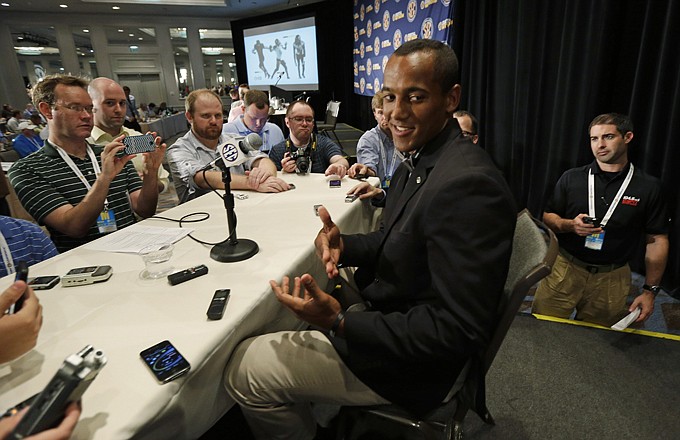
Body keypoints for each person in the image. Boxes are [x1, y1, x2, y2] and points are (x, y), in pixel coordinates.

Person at [223, 39, 516, 439]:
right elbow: (397, 238)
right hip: (392, 321)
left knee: (246, 367)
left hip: (417, 367)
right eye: (390, 97)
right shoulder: (427, 156)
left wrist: (341, 322)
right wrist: (346, 244)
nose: (397, 113)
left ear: (451, 99)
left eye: (415, 97)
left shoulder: (468, 184)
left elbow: (456, 330)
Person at [533, 113, 669, 326]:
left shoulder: (649, 187)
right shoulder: (572, 178)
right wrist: (569, 225)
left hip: (612, 278)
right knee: (541, 329)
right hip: (565, 269)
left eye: (608, 137)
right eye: (594, 139)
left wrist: (650, 291)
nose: (600, 145)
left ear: (628, 137)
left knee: (594, 345)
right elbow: (548, 217)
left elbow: (657, 240)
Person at [8, 74, 165, 253]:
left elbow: (145, 210)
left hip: (134, 249)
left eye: (89, 108)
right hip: (85, 264)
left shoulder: (110, 153)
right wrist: (104, 179)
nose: (86, 116)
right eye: (75, 108)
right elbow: (74, 227)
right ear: (46, 110)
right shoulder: (27, 170)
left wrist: (150, 173)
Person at [166, 89, 290, 204]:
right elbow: (202, 178)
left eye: (218, 115)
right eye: (206, 116)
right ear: (189, 117)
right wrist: (253, 183)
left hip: (242, 208)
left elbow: (262, 159)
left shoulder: (232, 139)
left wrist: (265, 175)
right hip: (202, 216)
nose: (214, 121)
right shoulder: (178, 150)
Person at [87, 77, 170, 193]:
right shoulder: (84, 142)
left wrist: (148, 181)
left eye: (122, 103)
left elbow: (163, 183)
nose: (118, 109)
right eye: (109, 103)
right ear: (91, 105)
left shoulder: (137, 138)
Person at [268, 100, 349, 176]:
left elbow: (340, 160)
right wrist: (284, 173)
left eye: (309, 120)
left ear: (313, 124)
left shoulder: (323, 143)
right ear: (287, 122)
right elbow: (272, 178)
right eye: (299, 119)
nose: (304, 124)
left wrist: (338, 166)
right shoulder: (278, 151)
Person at [348, 91, 401, 191]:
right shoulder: (368, 140)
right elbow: (370, 169)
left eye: (388, 112)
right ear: (374, 114)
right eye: (380, 113)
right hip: (377, 193)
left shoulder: (405, 137)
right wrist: (366, 170)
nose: (384, 117)